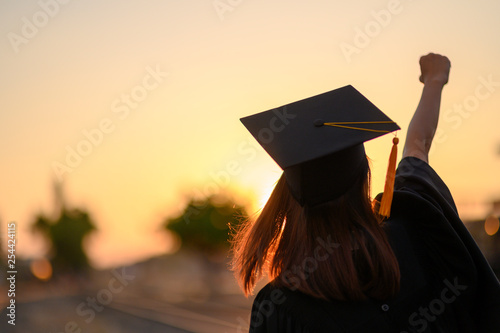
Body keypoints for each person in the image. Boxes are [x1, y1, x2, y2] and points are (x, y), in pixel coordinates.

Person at [232, 53, 500, 332]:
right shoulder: (415, 234)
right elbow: (417, 146)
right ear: (365, 180)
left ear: (290, 200)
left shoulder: (280, 306)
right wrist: (434, 80)